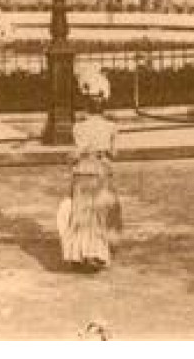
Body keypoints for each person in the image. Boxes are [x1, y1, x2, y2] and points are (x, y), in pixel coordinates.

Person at [57, 91, 123, 272]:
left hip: (82, 171)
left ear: (86, 108)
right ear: (103, 108)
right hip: (100, 170)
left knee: (80, 214)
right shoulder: (111, 126)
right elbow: (114, 154)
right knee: (99, 214)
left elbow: (76, 151)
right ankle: (96, 253)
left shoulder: (78, 127)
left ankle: (77, 254)